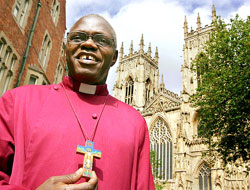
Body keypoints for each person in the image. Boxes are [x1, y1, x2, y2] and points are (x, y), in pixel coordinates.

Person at [0, 14, 155, 190]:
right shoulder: (17, 101)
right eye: (78, 37)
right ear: (66, 48)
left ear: (114, 57)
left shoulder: (135, 123)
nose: (88, 44)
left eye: (101, 40)